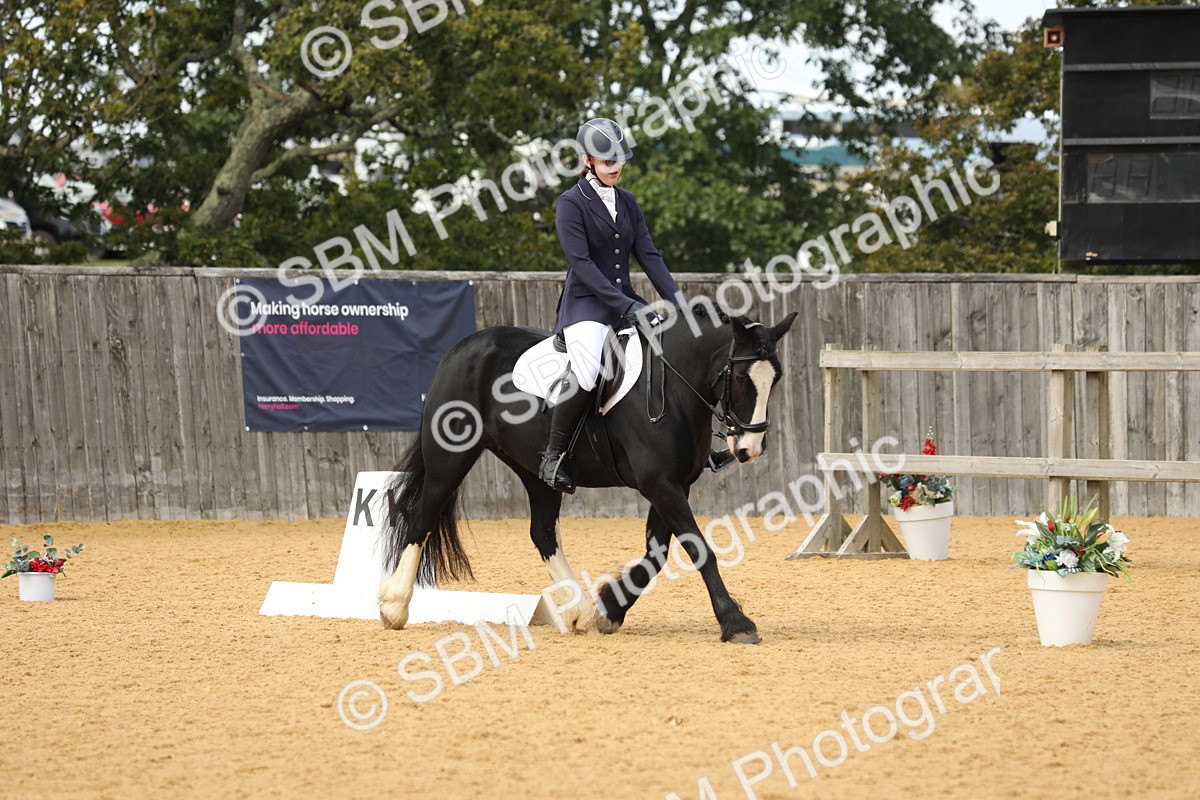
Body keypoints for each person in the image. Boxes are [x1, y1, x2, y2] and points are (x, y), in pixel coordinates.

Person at [539, 117, 682, 493]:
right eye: (607, 162)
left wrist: (678, 302)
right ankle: (554, 456)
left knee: (671, 351)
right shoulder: (571, 204)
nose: (616, 168)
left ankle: (687, 449)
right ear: (588, 160)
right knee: (587, 370)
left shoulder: (628, 202)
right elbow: (582, 266)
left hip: (626, 304)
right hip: (586, 308)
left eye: (619, 160)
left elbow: (649, 255)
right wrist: (625, 305)